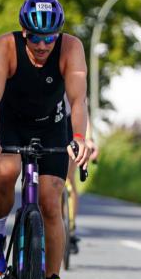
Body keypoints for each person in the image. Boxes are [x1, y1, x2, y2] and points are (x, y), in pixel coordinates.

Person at [0, 0, 89, 279]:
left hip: (52, 126)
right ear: (23, 32)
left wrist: (80, 138)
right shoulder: (5, 47)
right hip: (9, 125)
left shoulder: (72, 48)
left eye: (49, 38)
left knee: (51, 201)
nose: (42, 46)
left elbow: (78, 101)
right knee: (8, 171)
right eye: (35, 38)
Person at [62, 94, 99, 254]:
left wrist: (89, 139)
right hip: (47, 124)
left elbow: (83, 108)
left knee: (68, 180)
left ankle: (70, 228)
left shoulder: (72, 74)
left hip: (70, 125)